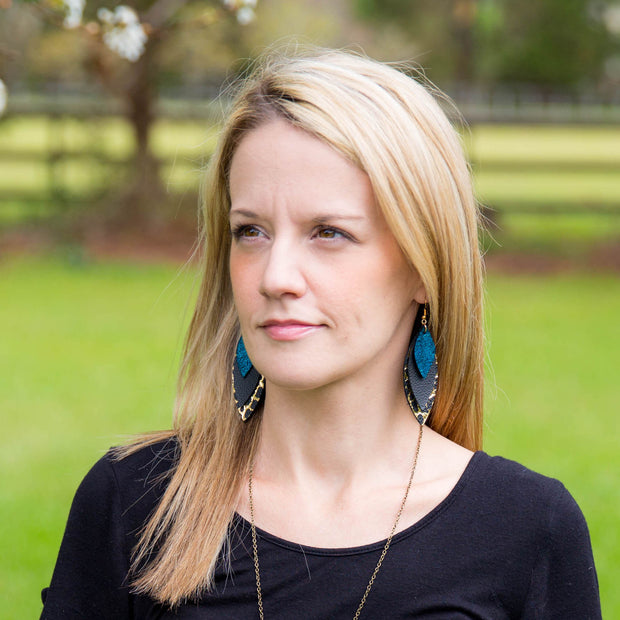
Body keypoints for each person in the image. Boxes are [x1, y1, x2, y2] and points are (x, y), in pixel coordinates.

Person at [40, 49, 601, 619]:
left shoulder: (526, 529)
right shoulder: (136, 502)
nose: (276, 276)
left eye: (328, 233)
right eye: (251, 231)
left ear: (424, 268)